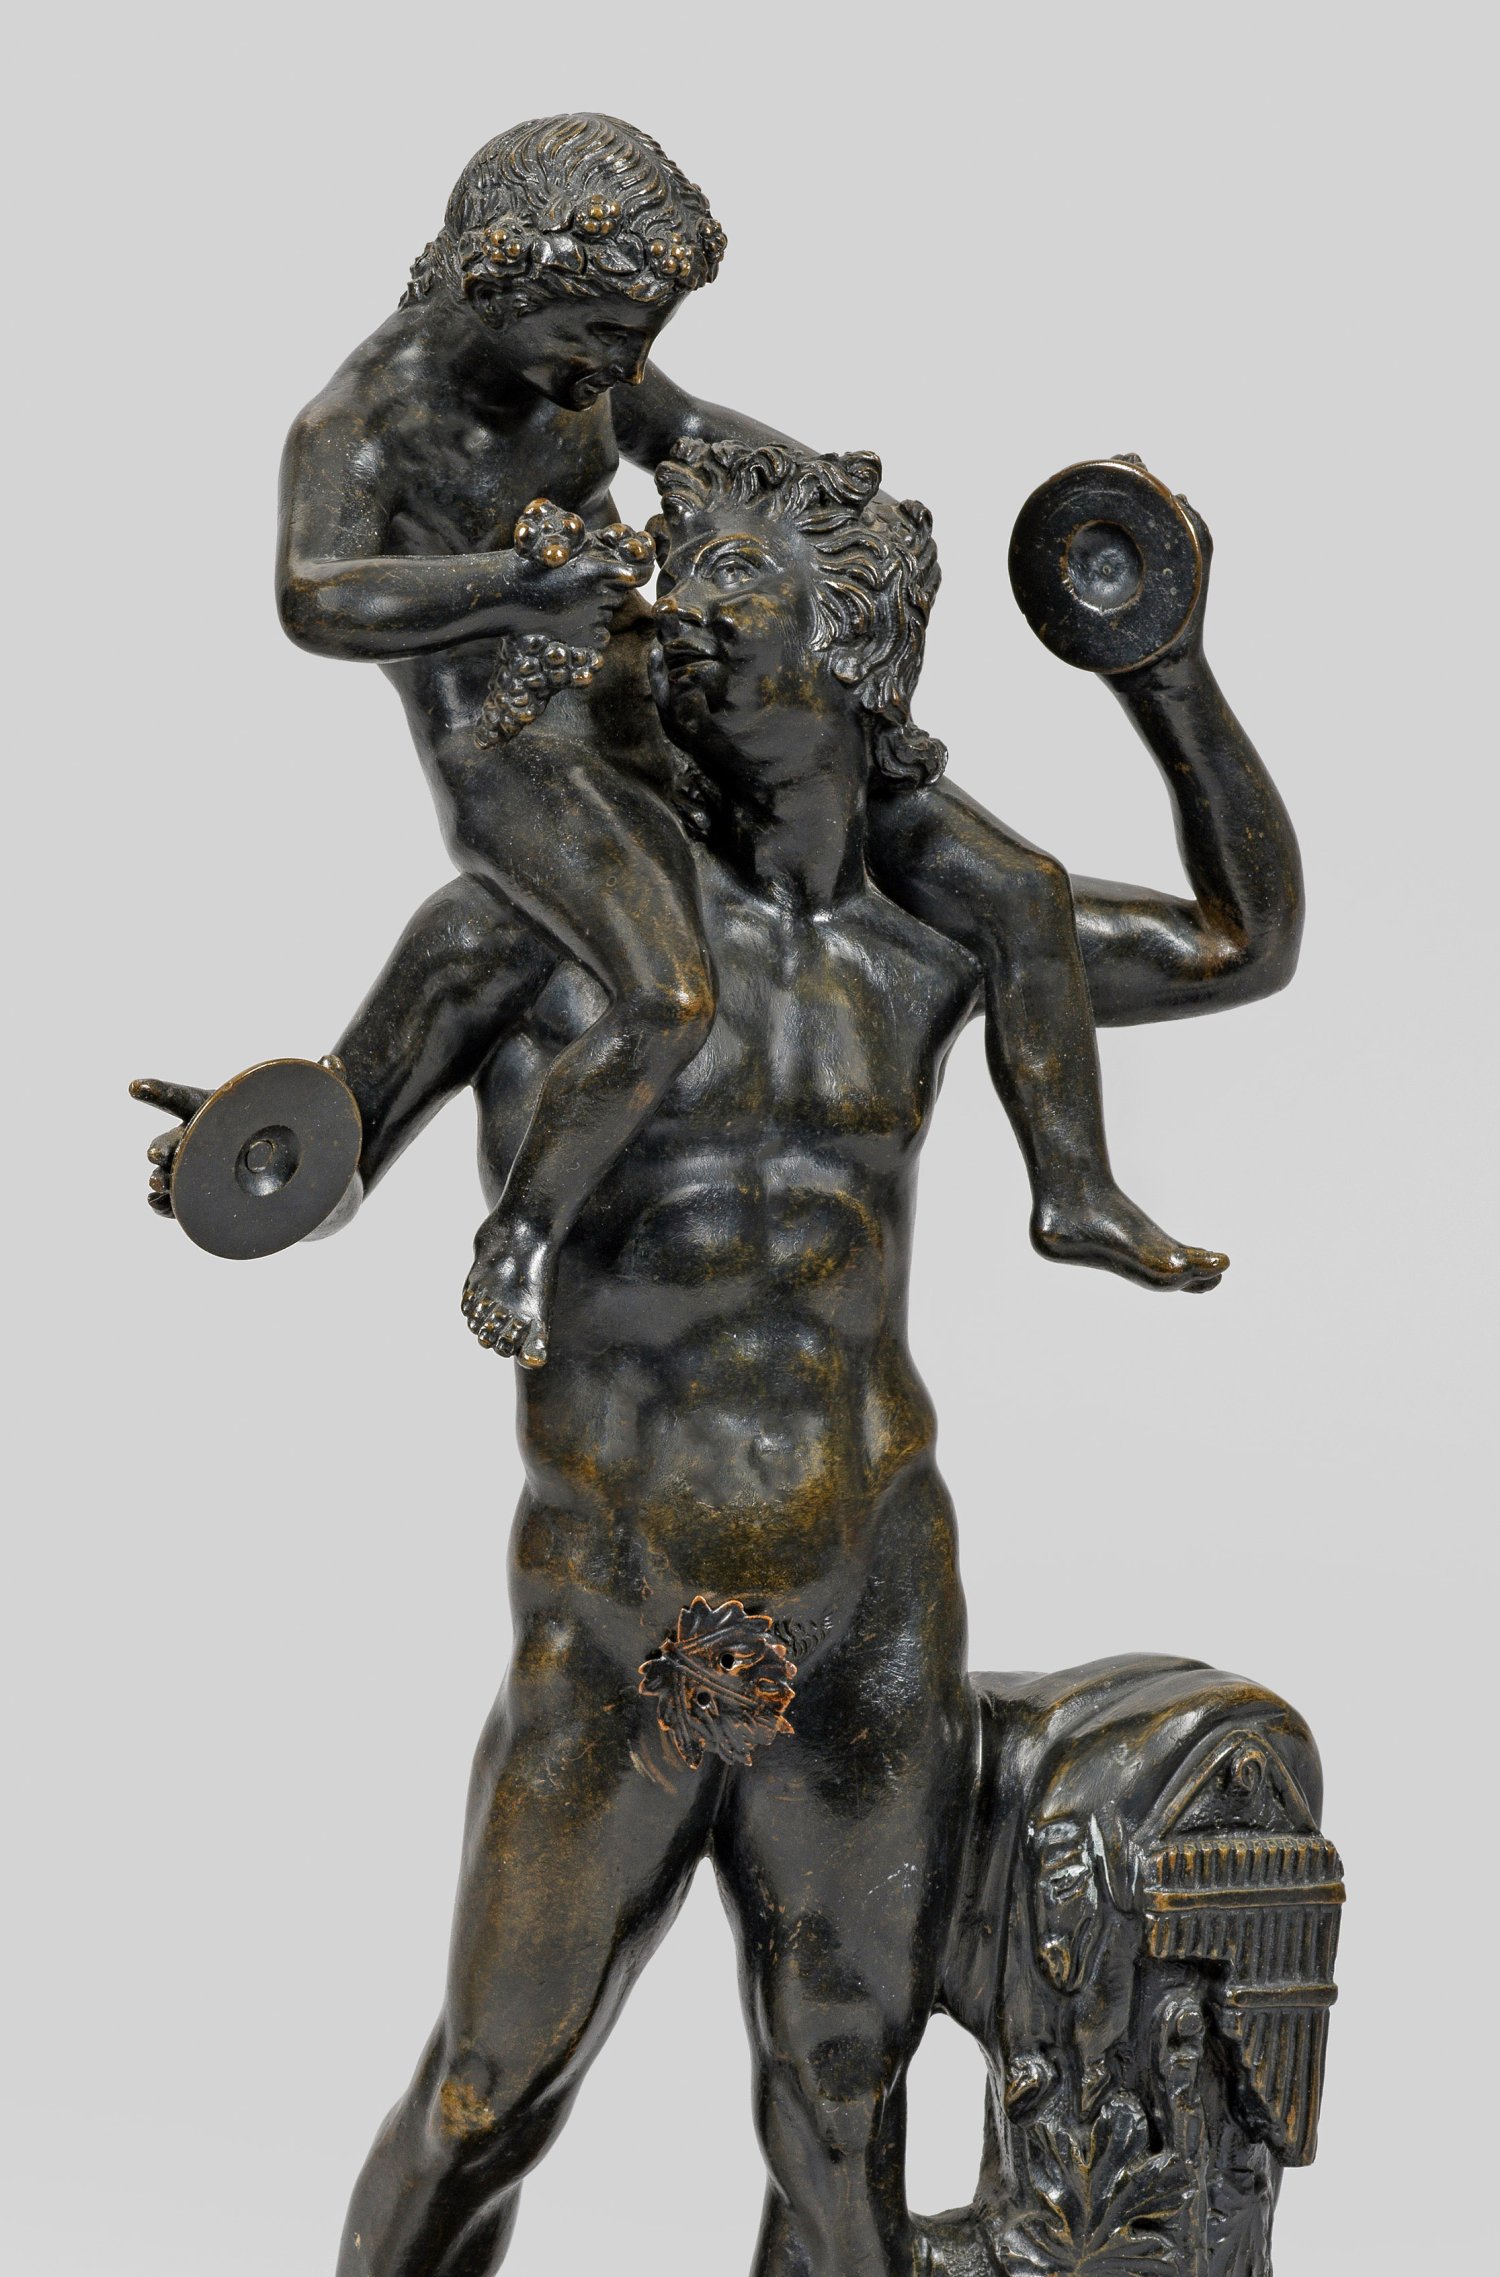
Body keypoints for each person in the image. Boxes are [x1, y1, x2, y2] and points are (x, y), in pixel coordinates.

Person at [152, 429, 1301, 2277]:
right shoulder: (540, 922)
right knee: (489, 2091)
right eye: (679, 581)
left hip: (861, 1614)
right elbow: (332, 1134)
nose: (676, 612)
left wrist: (1167, 673)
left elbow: (1239, 940)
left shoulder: (940, 935)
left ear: (843, 647)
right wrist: (241, 1162)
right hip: (617, 1625)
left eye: (729, 586)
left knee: (838, 2114)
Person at [263, 109, 1234, 1370]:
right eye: (603, 339)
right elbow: (315, 598)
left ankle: (1075, 1192)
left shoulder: (593, 362)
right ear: (507, 283)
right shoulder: (365, 425)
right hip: (525, 761)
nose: (624, 369)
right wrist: (512, 589)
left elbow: (691, 435)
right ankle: (522, 1233)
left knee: (1018, 886)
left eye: (643, 340)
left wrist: (842, 512)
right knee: (668, 993)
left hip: (658, 707)